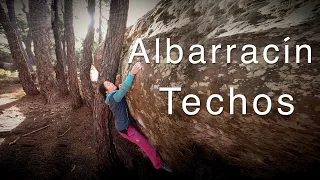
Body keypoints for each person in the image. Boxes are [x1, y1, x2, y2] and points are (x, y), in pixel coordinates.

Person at [99, 62, 173, 173]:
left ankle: (147, 152)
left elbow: (121, 92)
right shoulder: (114, 97)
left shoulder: (112, 97)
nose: (111, 83)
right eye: (108, 85)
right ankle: (159, 165)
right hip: (126, 129)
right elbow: (124, 90)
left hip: (123, 127)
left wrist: (119, 89)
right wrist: (132, 73)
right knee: (146, 145)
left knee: (142, 140)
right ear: (107, 91)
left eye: (109, 82)